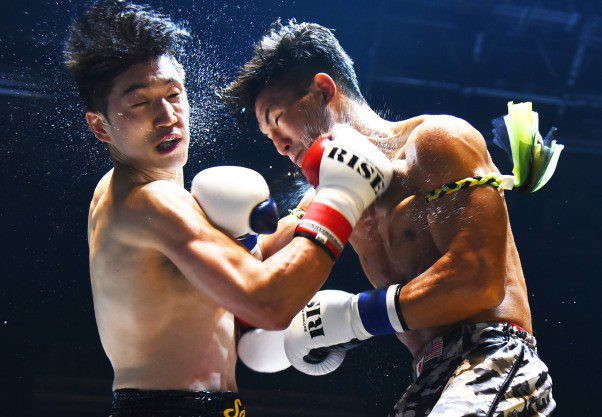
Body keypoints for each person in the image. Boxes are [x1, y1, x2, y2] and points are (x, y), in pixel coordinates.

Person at [63, 2, 392, 416]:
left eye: (173, 94)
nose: (167, 116)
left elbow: (246, 263)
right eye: (140, 103)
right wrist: (341, 199)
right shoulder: (151, 199)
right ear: (99, 125)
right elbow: (268, 304)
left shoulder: (127, 192)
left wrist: (310, 206)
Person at [221, 19, 556, 416]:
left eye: (277, 119)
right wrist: (224, 222)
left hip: (492, 355)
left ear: (323, 90)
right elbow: (254, 271)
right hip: (428, 374)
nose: (279, 145)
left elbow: (479, 282)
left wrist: (353, 317)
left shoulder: (437, 141)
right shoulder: (329, 198)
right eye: (268, 136)